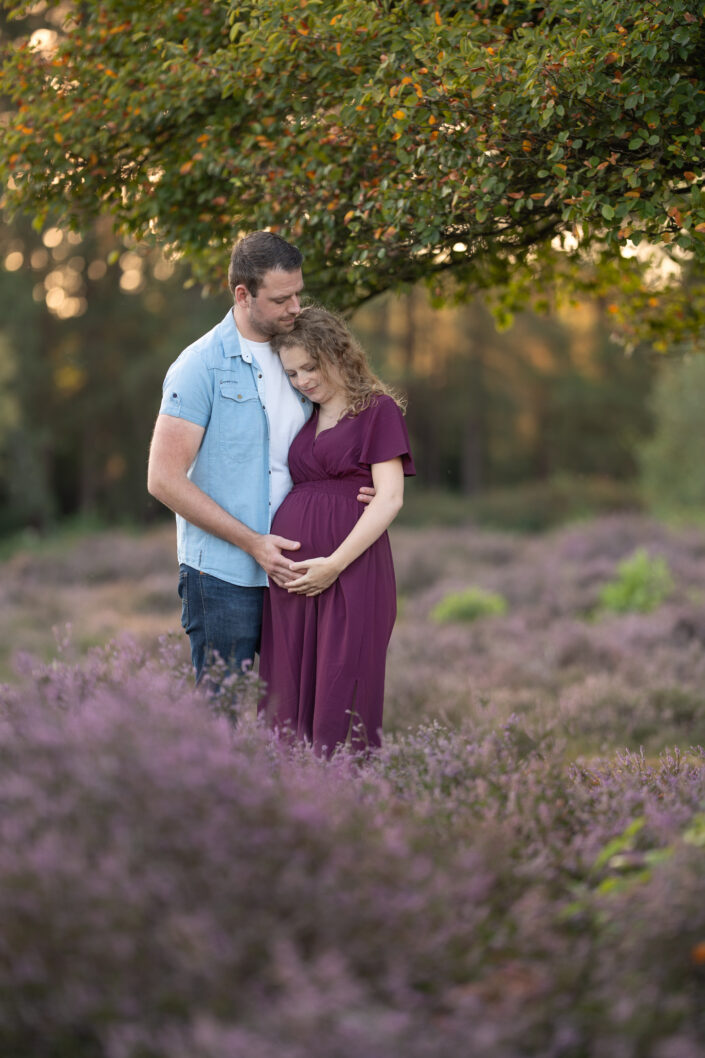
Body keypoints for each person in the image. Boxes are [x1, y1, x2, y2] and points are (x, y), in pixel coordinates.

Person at [147, 231, 374, 681]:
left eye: (298, 294)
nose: (295, 307)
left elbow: (344, 425)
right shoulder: (200, 366)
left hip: (300, 569)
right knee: (223, 717)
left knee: (291, 715)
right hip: (223, 577)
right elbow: (163, 479)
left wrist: (357, 485)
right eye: (280, 299)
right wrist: (253, 543)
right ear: (243, 295)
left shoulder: (303, 352)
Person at [258, 306, 415, 756]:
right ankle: (289, 801)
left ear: (338, 353)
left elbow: (389, 497)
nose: (302, 379)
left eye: (311, 366)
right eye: (292, 372)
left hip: (350, 571)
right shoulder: (301, 415)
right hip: (293, 582)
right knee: (287, 695)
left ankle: (343, 799)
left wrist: (333, 565)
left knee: (342, 683)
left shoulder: (376, 410)